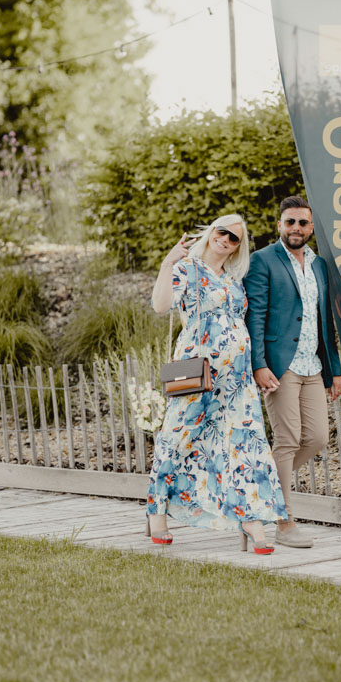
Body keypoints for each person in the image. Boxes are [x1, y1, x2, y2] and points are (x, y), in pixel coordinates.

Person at [147, 213, 287, 554]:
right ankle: (157, 511)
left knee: (245, 443)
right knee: (179, 435)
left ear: (238, 247)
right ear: (211, 232)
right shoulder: (188, 268)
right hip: (199, 370)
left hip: (236, 378)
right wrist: (167, 264)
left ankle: (251, 520)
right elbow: (161, 305)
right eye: (222, 231)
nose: (225, 239)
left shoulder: (234, 278)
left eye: (234, 237)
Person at [244, 196, 341, 548]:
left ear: (311, 227)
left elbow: (324, 322)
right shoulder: (262, 261)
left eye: (302, 223)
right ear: (280, 225)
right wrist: (259, 364)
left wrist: (335, 371)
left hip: (313, 365)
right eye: (290, 222)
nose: (296, 228)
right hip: (280, 366)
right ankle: (285, 523)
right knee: (287, 441)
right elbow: (255, 317)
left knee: (316, 438)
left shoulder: (319, 265)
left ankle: (262, 490)